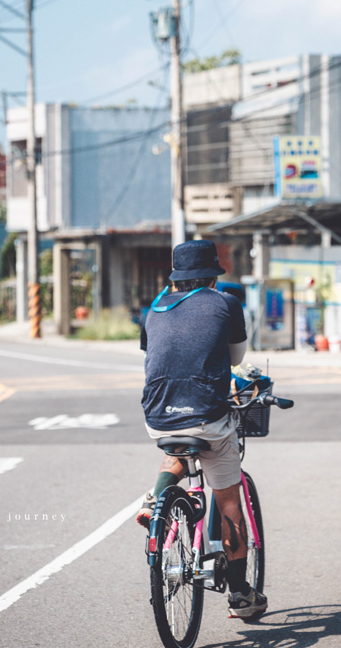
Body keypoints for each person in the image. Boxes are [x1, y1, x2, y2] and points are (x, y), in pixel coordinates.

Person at [136, 239, 267, 618]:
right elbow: (236, 358)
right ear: (213, 274)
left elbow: (157, 355)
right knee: (228, 500)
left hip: (158, 416)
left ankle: (156, 500)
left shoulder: (156, 307)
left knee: (175, 451)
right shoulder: (225, 303)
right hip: (207, 417)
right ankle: (241, 594)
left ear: (176, 277)